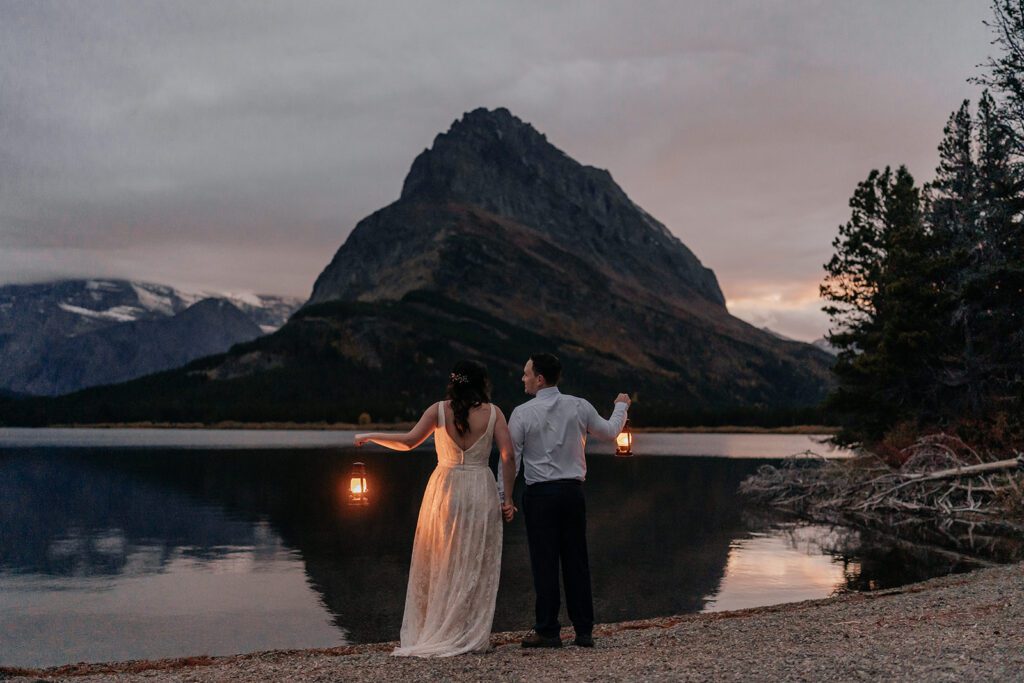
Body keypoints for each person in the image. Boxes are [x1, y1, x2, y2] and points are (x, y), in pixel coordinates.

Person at [355, 360, 517, 657]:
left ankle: (441, 628)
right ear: (482, 383)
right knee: (474, 562)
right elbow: (508, 457)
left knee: (442, 559)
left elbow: (407, 443)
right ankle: (467, 632)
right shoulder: (494, 413)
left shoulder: (438, 410)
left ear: (454, 383)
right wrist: (508, 498)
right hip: (481, 488)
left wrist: (370, 436)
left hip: (445, 489)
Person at [499, 353, 630, 649]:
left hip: (540, 497)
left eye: (526, 373)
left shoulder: (521, 413)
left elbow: (511, 459)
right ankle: (584, 631)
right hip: (572, 494)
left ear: (540, 379)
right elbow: (611, 432)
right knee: (576, 561)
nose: (523, 378)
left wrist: (503, 496)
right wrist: (621, 406)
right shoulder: (579, 405)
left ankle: (548, 631)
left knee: (544, 563)